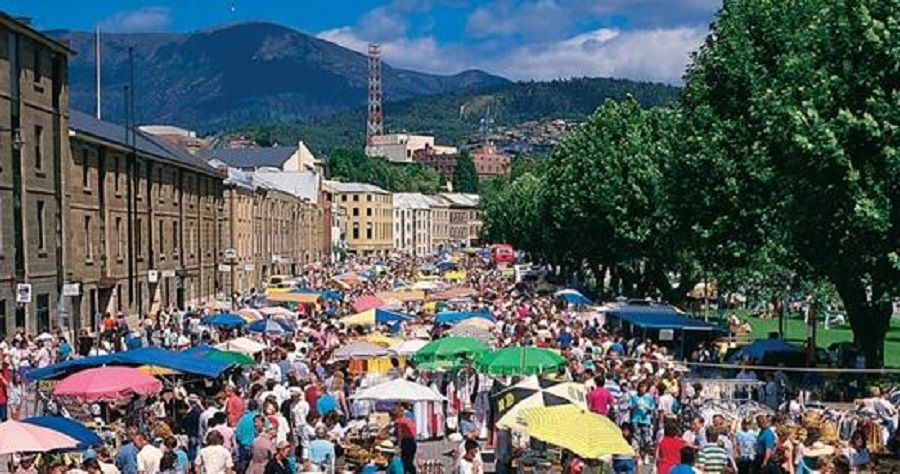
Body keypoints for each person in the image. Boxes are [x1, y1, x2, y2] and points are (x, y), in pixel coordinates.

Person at [630, 382, 655, 459]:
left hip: (645, 420)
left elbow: (653, 408)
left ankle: (646, 454)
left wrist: (647, 407)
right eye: (641, 387)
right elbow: (630, 407)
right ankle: (638, 453)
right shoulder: (634, 397)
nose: (642, 389)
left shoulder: (649, 398)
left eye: (644, 387)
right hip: (635, 419)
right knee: (637, 437)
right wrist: (635, 405)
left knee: (646, 438)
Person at [393, 402, 418, 473]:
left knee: (406, 462)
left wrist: (399, 443)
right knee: (408, 461)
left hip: (407, 442)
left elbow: (401, 435)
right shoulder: (407, 419)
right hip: (411, 442)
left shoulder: (401, 421)